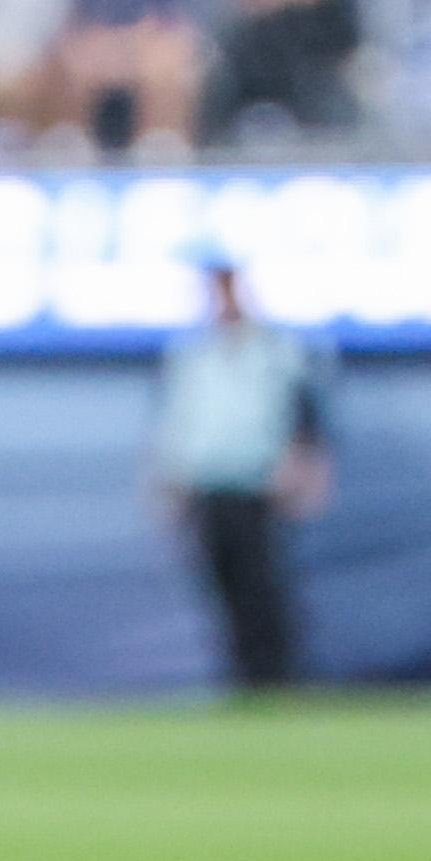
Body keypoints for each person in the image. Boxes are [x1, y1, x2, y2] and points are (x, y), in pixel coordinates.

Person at [153, 243, 329, 692]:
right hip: (207, 485)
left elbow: (306, 416)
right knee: (222, 587)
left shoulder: (276, 351)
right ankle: (242, 681)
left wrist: (305, 471)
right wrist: (169, 483)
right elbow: (176, 423)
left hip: (259, 487)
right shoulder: (193, 355)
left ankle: (277, 680)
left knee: (264, 587)